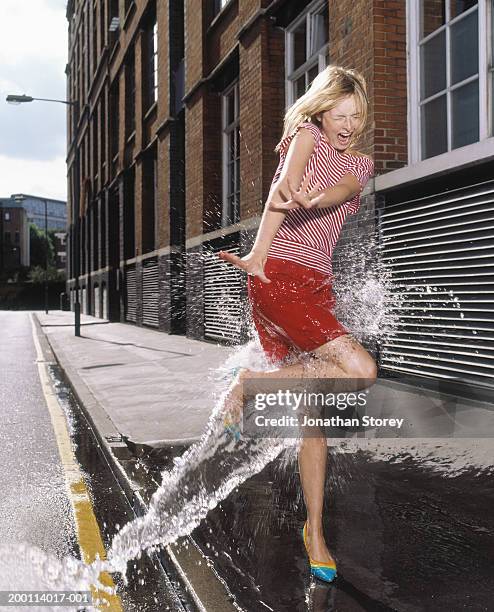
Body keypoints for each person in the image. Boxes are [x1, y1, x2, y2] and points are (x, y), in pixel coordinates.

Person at [218, 65, 377, 583]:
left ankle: (314, 530)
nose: (348, 124)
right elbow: (281, 191)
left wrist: (317, 198)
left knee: (315, 412)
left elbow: (343, 187)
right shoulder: (305, 135)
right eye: (340, 113)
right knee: (360, 368)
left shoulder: (362, 163)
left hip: (315, 287)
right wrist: (259, 253)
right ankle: (252, 385)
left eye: (356, 115)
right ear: (322, 108)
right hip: (279, 273)